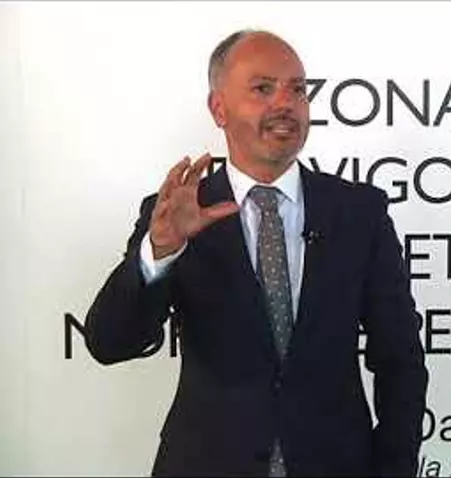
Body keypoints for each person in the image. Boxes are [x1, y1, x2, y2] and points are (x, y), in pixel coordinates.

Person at [84, 29, 428, 477]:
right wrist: (161, 252)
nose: (286, 104)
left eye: (298, 90)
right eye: (263, 89)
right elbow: (110, 343)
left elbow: (401, 360)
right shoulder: (177, 212)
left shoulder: (359, 213)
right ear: (219, 108)